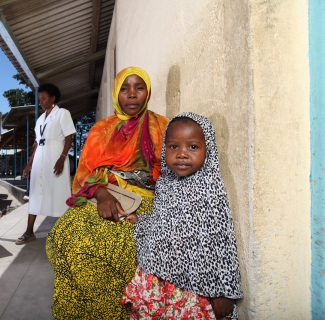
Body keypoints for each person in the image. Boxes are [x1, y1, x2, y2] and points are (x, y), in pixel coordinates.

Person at [46, 67, 169, 319]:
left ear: (147, 92)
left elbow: (172, 174)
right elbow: (84, 175)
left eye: (139, 88)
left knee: (114, 246)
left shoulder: (162, 126)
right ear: (116, 93)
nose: (132, 95)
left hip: (146, 201)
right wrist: (101, 193)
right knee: (63, 237)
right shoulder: (101, 129)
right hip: (103, 195)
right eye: (124, 88)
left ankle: (114, 312)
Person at [122, 113, 244, 319]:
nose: (182, 154)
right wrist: (142, 220)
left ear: (209, 150)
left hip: (193, 288)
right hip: (160, 279)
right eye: (173, 147)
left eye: (193, 147)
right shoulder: (165, 183)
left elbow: (221, 243)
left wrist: (223, 292)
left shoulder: (209, 189)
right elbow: (163, 220)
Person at [17, 83, 76, 245]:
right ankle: (29, 232)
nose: (41, 101)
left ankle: (67, 233)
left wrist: (62, 158)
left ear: (53, 98)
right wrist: (29, 164)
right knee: (35, 193)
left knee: (59, 193)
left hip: (55, 158)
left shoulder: (62, 114)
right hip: (39, 160)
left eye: (43, 98)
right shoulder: (40, 119)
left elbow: (69, 137)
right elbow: (37, 143)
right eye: (39, 99)